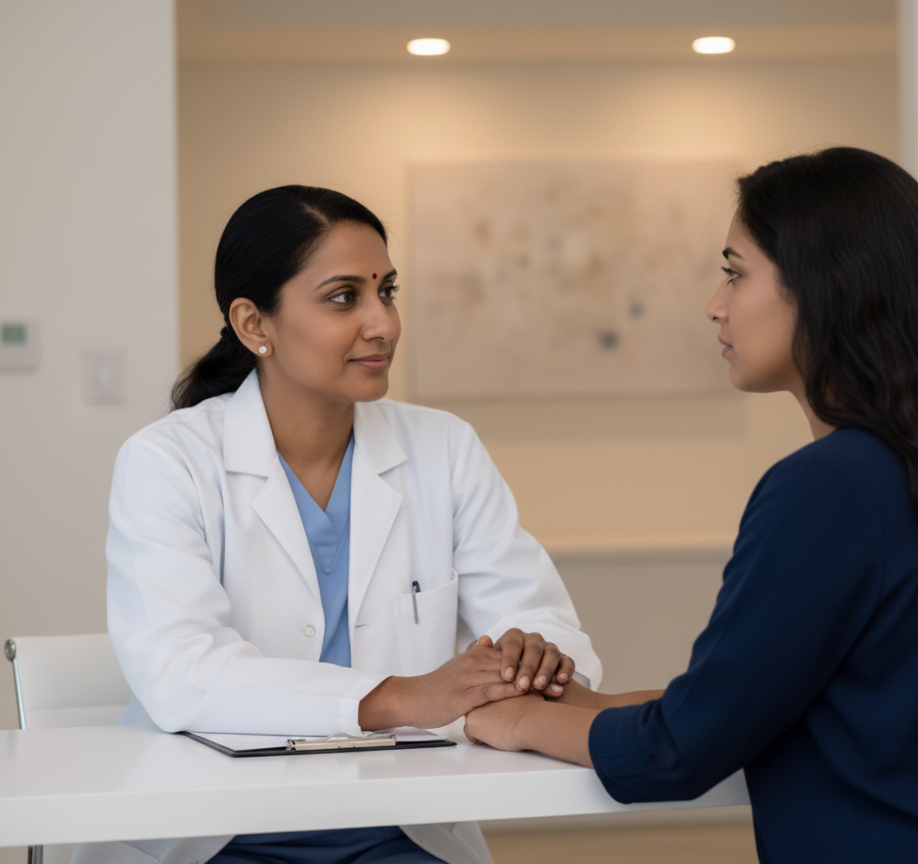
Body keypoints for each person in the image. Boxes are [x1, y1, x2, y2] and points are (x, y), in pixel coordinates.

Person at [463, 147, 918, 863]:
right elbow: (739, 705)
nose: (715, 304)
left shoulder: (828, 486)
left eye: (735, 273)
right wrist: (567, 704)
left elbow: (677, 751)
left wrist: (512, 722)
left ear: (828, 287)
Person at [72, 186, 601, 864]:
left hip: (399, 828)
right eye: (344, 297)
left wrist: (537, 652)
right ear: (254, 323)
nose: (382, 323)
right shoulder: (168, 461)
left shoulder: (444, 447)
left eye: (388, 292)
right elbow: (184, 670)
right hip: (216, 834)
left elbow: (535, 618)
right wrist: (403, 696)